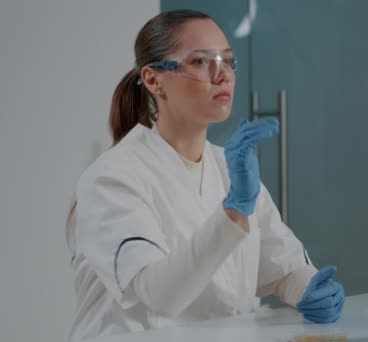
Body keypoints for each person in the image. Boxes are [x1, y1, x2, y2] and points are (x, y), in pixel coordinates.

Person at [66, 9, 344, 341]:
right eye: (201, 62)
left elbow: (282, 267)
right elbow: (160, 296)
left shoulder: (228, 168)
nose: (222, 75)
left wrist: (308, 289)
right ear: (154, 79)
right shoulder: (112, 178)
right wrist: (234, 211)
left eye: (228, 61)